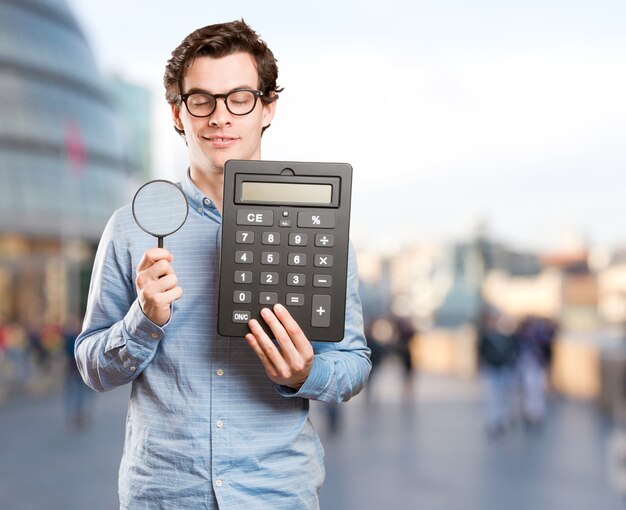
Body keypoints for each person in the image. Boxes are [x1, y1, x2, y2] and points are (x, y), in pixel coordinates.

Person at [75, 19, 371, 509]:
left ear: (267, 107)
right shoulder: (130, 228)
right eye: (201, 100)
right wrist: (142, 320)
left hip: (275, 494)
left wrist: (306, 374)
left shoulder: (319, 225)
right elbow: (92, 367)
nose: (220, 117)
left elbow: (354, 364)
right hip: (162, 495)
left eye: (239, 98)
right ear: (177, 113)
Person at [477, 306, 519, 437]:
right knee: (492, 396)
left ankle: (501, 419)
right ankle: (492, 421)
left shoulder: (504, 335)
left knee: (503, 395)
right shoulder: (485, 335)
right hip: (492, 368)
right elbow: (481, 352)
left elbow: (512, 350)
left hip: (504, 368)